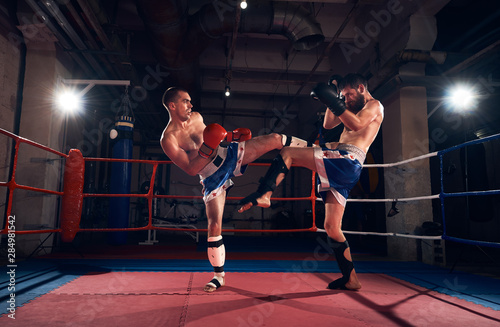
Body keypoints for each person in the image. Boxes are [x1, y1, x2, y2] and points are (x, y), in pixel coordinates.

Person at [238, 73, 384, 290]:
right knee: (332, 227)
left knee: (288, 152)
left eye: (349, 95)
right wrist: (331, 99)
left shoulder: (375, 106)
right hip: (342, 167)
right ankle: (351, 279)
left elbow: (356, 126)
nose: (347, 100)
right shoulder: (349, 108)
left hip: (346, 160)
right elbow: (326, 126)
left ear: (362, 88)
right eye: (344, 97)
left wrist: (336, 101)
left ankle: (265, 194)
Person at [160, 87, 308, 292]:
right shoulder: (169, 139)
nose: (191, 105)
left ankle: (314, 149)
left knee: (275, 139)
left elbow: (217, 139)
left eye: (190, 101)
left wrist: (231, 136)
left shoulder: (196, 117)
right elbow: (191, 169)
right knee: (214, 227)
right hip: (212, 176)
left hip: (229, 155)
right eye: (186, 101)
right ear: (172, 105)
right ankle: (218, 276)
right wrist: (208, 148)